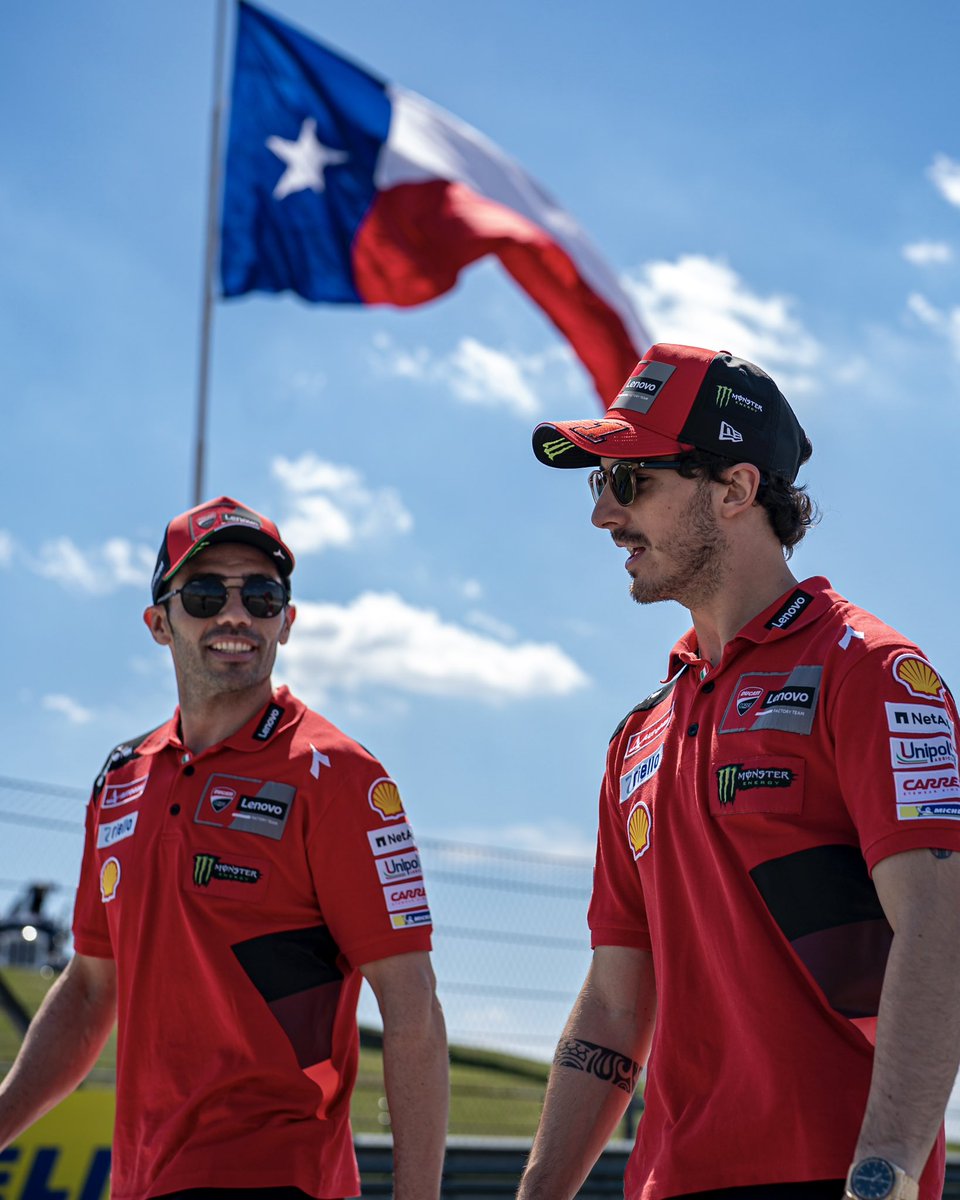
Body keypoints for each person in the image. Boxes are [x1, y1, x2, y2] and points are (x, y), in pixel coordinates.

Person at [517, 344, 960, 1200]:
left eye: (631, 481)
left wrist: (885, 1175)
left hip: (834, 1179)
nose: (604, 515)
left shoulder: (868, 670)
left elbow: (939, 932)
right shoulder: (640, 734)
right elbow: (615, 1004)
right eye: (597, 483)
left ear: (735, 489)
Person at [0, 496, 449, 1200]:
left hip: (283, 1178)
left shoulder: (338, 775)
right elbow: (89, 990)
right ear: (159, 623)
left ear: (288, 622)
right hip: (141, 1181)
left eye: (262, 596)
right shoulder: (121, 780)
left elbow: (411, 1002)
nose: (235, 615)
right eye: (206, 594)